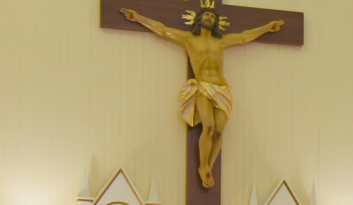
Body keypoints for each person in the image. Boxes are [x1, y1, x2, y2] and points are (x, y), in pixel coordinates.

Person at [120, 7, 285, 188]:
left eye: (212, 16)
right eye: (206, 14)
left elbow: (244, 36)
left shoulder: (221, 42)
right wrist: (138, 17)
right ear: (199, 19)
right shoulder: (189, 39)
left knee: (220, 131)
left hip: (222, 89)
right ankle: (202, 165)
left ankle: (209, 167)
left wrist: (267, 27)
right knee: (209, 126)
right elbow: (161, 29)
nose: (209, 17)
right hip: (202, 87)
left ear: (215, 22)